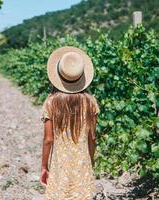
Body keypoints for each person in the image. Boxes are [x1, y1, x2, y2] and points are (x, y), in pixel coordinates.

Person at [40, 46, 100, 199]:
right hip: (82, 164)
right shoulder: (90, 102)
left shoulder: (51, 102)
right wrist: (90, 161)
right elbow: (92, 138)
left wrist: (44, 167)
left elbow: (48, 140)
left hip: (60, 166)